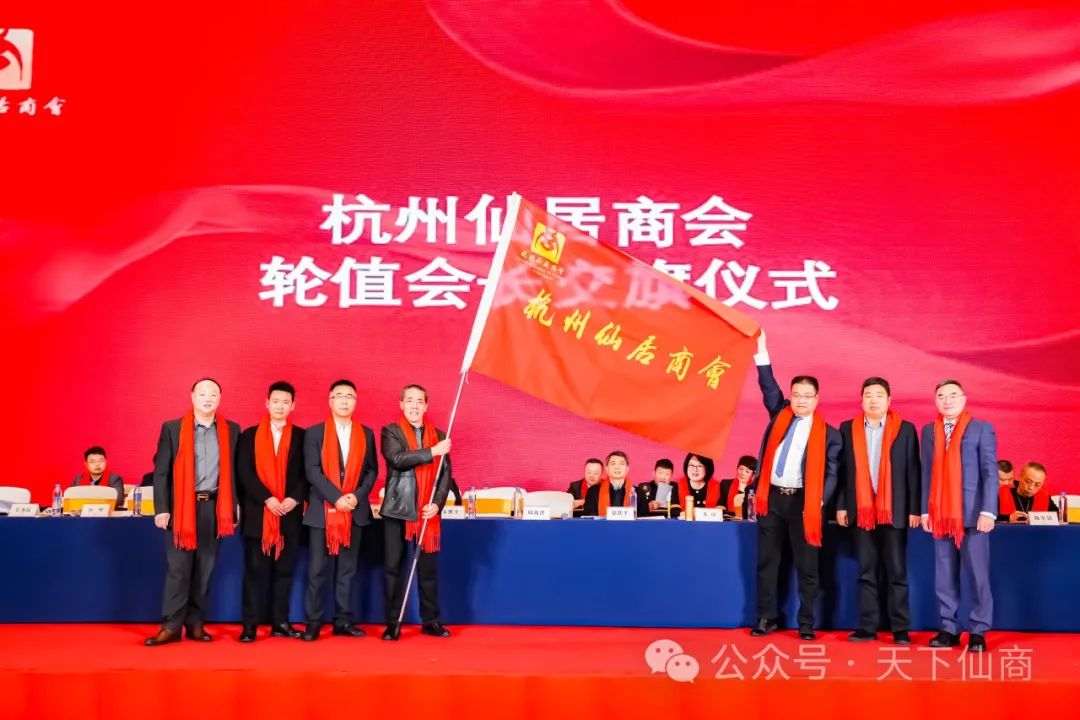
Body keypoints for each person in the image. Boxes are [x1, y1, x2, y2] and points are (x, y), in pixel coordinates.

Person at [749, 331, 841, 641]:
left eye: (807, 395)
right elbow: (767, 386)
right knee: (768, 562)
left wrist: (819, 501)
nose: (801, 400)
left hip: (805, 504)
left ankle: (806, 622)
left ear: (817, 398)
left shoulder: (830, 434)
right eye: (797, 394)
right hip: (772, 499)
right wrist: (762, 350)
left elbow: (832, 473)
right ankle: (766, 617)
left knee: (807, 566)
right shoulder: (780, 414)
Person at [145, 378, 240, 646]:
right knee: (178, 569)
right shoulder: (173, 428)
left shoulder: (232, 430)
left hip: (215, 507)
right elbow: (161, 472)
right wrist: (161, 509)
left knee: (205, 569)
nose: (208, 398)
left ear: (220, 399)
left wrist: (234, 507)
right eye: (202, 394)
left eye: (213, 394)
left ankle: (196, 623)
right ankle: (171, 626)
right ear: (192, 397)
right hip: (181, 509)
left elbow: (234, 472)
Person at [835, 377, 921, 645]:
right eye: (868, 395)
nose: (873, 400)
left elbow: (913, 471)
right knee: (866, 571)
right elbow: (843, 472)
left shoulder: (905, 429)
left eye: (879, 395)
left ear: (889, 400)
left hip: (894, 510)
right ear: (861, 399)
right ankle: (868, 627)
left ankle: (900, 628)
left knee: (897, 572)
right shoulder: (847, 429)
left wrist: (914, 508)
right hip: (860, 510)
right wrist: (841, 505)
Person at [920, 379, 997, 653]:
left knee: (978, 575)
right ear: (936, 401)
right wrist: (925, 510)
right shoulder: (929, 431)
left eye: (953, 395)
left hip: (974, 514)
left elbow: (990, 472)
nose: (947, 400)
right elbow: (926, 472)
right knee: (944, 575)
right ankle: (948, 628)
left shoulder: (981, 428)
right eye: (941, 395)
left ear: (964, 399)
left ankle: (978, 631)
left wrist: (988, 510)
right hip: (941, 514)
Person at [301, 379, 378, 641]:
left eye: (350, 396)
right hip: (322, 512)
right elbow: (312, 471)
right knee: (317, 570)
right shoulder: (314, 433)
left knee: (347, 570)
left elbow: (372, 471)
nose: (345, 401)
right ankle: (313, 623)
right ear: (330, 401)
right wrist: (336, 498)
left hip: (354, 511)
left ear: (355, 401)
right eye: (339, 396)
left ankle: (343, 621)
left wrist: (355, 497)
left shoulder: (366, 433)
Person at [380, 383, 454, 641]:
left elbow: (445, 475)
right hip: (398, 509)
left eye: (419, 401)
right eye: (409, 400)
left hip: (427, 511)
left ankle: (430, 620)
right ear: (401, 404)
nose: (414, 405)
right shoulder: (391, 431)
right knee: (393, 568)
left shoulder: (440, 435)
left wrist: (437, 504)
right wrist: (433, 452)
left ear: (426, 406)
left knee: (427, 570)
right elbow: (397, 460)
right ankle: (392, 622)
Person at [235, 381, 307, 642]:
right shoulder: (249, 435)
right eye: (275, 401)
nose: (280, 406)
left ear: (293, 406)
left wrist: (294, 498)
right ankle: (249, 626)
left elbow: (307, 473)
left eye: (285, 402)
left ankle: (281, 622)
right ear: (267, 403)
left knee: (285, 572)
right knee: (254, 572)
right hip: (259, 514)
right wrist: (267, 498)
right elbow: (244, 472)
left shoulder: (302, 436)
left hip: (289, 514)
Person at [71, 446, 125, 510]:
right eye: (92, 461)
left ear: (106, 462)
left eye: (101, 461)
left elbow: (118, 500)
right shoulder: (79, 479)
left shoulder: (115, 479)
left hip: (106, 514)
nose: (97, 464)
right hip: (82, 514)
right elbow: (71, 499)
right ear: (86, 464)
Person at [582, 451, 633, 516]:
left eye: (621, 464)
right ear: (607, 469)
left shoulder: (638, 493)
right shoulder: (593, 492)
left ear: (627, 469)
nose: (617, 467)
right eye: (613, 464)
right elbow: (589, 518)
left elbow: (643, 519)